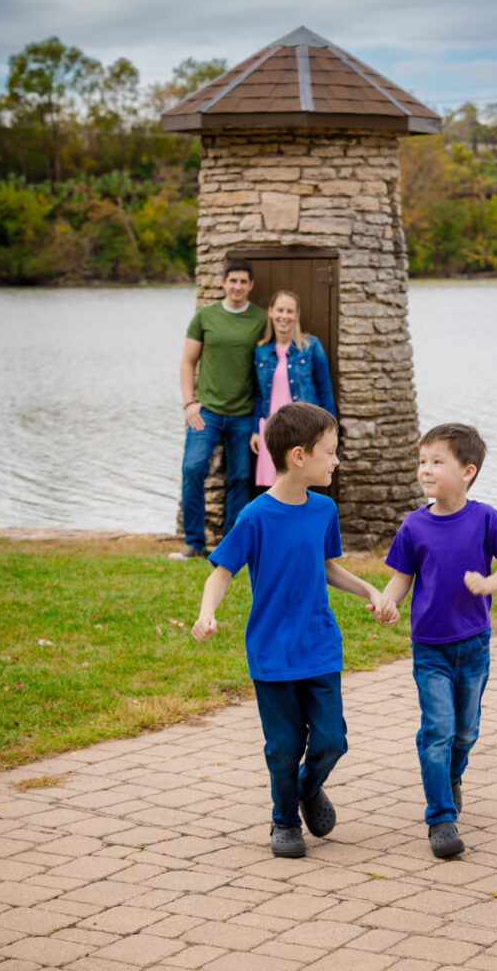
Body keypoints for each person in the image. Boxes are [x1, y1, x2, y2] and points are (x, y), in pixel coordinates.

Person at [191, 402, 399, 858]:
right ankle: (284, 821)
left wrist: (368, 590)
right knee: (284, 746)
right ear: (300, 456)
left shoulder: (323, 509)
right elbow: (221, 571)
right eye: (331, 451)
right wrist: (207, 612)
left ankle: (307, 789)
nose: (337, 460)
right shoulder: (254, 517)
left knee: (332, 740)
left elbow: (326, 567)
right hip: (272, 652)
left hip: (319, 645)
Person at [382, 423, 497, 859]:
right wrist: (388, 602)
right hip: (430, 648)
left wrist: (489, 582)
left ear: (467, 471)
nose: (426, 469)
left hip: (475, 645)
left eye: (437, 462)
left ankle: (452, 776)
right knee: (437, 730)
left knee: (465, 731)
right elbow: (401, 577)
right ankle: (441, 817)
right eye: (423, 461)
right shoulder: (414, 526)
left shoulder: (487, 519)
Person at [170, 260, 267, 560]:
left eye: (243, 281)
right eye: (232, 280)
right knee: (192, 469)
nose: (237, 286)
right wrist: (189, 404)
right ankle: (194, 543)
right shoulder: (205, 316)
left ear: (251, 285)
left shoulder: (262, 319)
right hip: (206, 413)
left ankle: (229, 546)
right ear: (223, 282)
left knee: (239, 479)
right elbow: (188, 361)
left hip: (243, 414)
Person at [251, 291, 335, 487]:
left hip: (304, 429)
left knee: (301, 483)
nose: (284, 316)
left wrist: (331, 430)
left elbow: (325, 389)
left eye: (290, 311)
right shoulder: (260, 350)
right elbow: (258, 393)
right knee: (274, 487)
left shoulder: (311, 346)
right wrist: (256, 429)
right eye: (280, 310)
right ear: (271, 312)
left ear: (296, 315)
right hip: (271, 429)